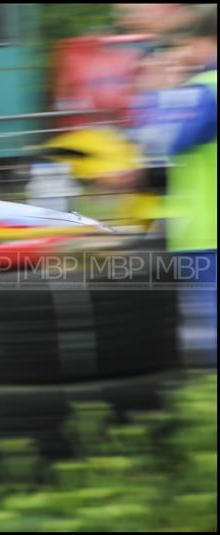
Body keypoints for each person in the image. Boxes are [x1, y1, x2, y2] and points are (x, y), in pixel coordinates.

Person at [133, 4, 216, 365]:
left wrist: (154, 93)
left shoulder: (205, 90)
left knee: (207, 342)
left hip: (207, 237)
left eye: (189, 44)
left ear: (207, 41)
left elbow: (157, 141)